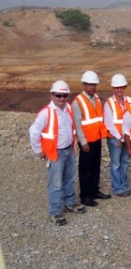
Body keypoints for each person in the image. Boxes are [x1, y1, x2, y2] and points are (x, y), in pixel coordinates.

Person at [29, 80, 86, 225]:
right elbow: (34, 132)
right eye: (58, 95)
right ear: (52, 95)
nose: (61, 99)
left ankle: (69, 203)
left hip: (68, 150)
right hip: (55, 153)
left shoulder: (67, 109)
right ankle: (55, 212)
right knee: (55, 183)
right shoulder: (46, 113)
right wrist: (39, 150)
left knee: (69, 178)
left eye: (64, 95)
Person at [72, 70, 110, 207]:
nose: (92, 87)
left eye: (94, 85)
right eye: (89, 84)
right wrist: (83, 142)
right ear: (84, 85)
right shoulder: (78, 102)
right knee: (85, 169)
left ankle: (94, 191)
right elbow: (77, 123)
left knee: (95, 167)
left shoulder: (97, 99)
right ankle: (85, 196)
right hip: (87, 141)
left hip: (97, 139)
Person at [103, 74, 131, 197]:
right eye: (117, 88)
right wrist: (119, 137)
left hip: (127, 137)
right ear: (113, 89)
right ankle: (117, 188)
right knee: (116, 163)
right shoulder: (109, 103)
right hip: (115, 139)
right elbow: (109, 123)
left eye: (121, 87)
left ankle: (124, 186)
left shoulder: (129, 101)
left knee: (124, 162)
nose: (119, 90)